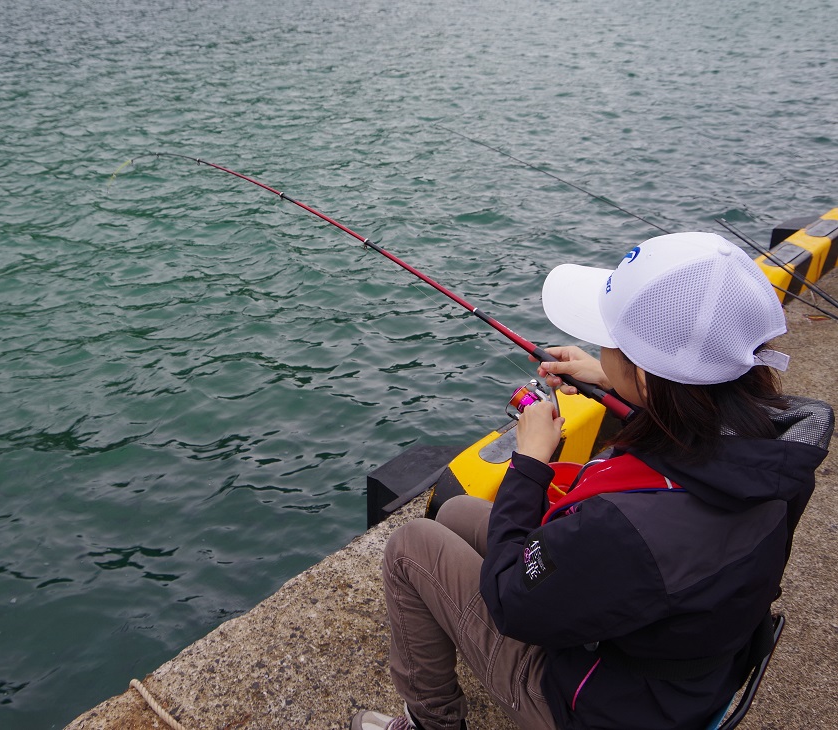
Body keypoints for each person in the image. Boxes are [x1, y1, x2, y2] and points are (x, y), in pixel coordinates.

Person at [351, 232, 834, 730]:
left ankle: (431, 722)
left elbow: (511, 603)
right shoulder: (776, 450)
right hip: (694, 665)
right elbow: (693, 425)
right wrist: (611, 378)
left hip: (607, 705)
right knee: (454, 514)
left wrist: (530, 461)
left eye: (612, 343)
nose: (602, 347)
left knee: (411, 544)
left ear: (647, 376)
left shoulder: (625, 526)